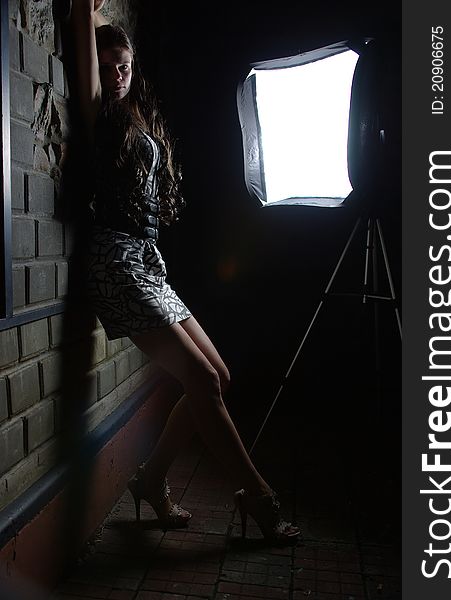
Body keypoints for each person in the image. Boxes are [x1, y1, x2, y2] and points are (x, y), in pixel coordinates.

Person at [70, 0, 299, 542]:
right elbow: (83, 23)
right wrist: (91, 16)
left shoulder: (134, 110)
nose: (117, 75)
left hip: (147, 260)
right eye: (106, 68)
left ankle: (150, 481)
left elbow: (119, 50)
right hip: (115, 261)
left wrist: (113, 34)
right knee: (200, 380)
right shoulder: (99, 109)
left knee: (217, 377)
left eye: (124, 65)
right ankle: (260, 497)